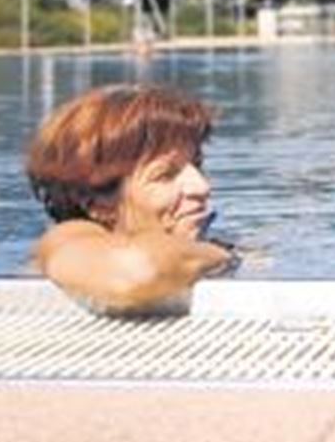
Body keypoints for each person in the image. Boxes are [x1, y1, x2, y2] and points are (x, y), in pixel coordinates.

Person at [27, 83, 235, 313]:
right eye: (166, 175)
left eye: (197, 164)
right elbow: (134, 273)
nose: (202, 186)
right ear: (96, 202)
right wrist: (221, 257)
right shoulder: (66, 239)